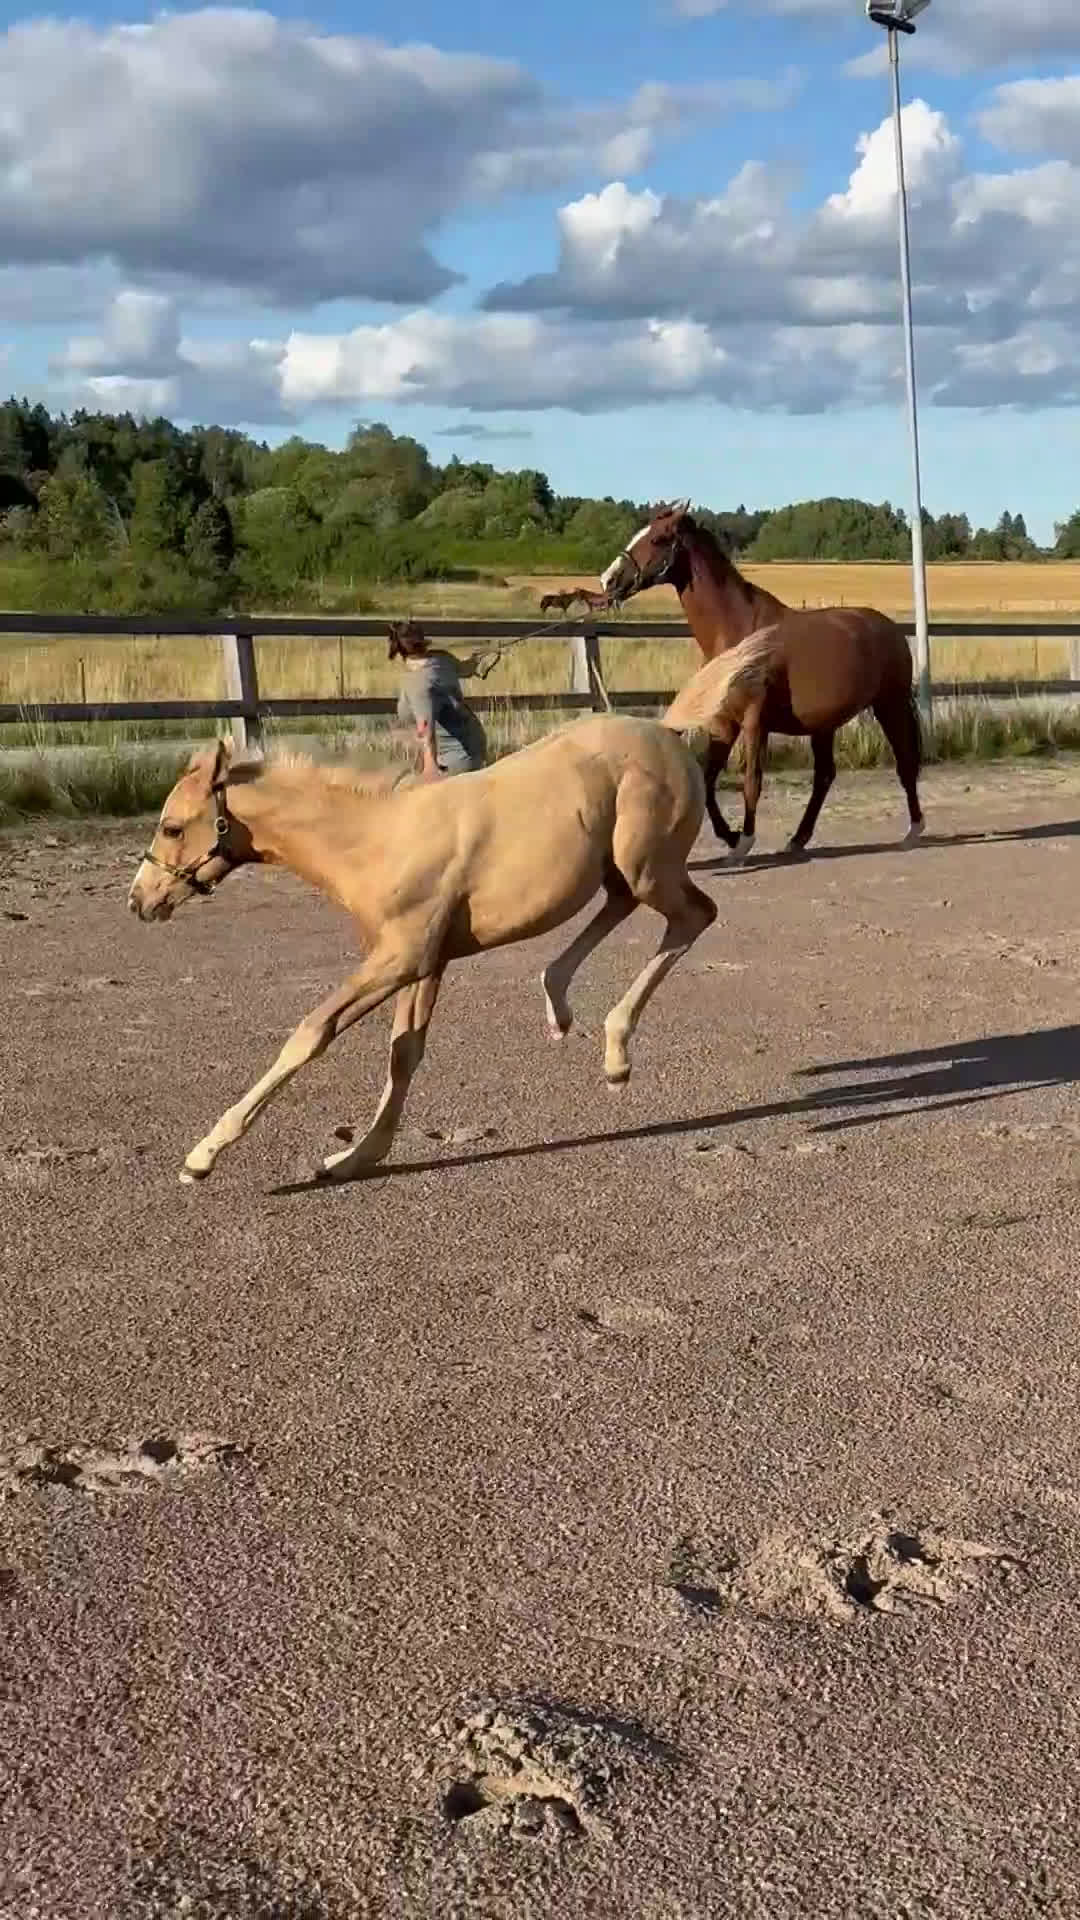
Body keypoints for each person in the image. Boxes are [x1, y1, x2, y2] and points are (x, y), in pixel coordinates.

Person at [389, 619, 489, 778]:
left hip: (454, 760)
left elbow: (426, 730)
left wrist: (430, 772)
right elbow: (466, 669)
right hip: (472, 748)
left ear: (396, 648)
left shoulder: (418, 682)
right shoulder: (442, 659)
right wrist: (479, 658)